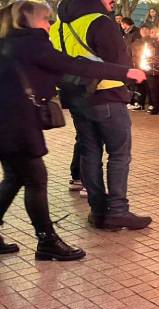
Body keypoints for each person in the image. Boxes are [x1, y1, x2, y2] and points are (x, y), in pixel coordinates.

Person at [0, 1, 146, 259]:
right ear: (30, 21)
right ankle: (47, 241)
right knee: (35, 180)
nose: (49, 25)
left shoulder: (8, 42)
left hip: (9, 122)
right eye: (45, 20)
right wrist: (126, 72)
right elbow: (76, 65)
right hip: (17, 124)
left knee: (15, 177)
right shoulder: (32, 43)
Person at [51, 0, 153, 230]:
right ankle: (118, 210)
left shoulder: (59, 25)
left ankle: (98, 211)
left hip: (76, 98)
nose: (114, 1)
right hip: (107, 94)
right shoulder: (99, 22)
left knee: (90, 153)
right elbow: (118, 61)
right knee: (118, 153)